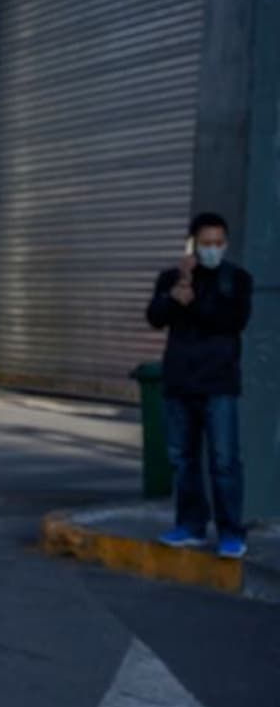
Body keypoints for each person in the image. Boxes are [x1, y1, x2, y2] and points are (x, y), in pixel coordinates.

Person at [146, 211, 253, 558]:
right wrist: (174, 294)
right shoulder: (172, 279)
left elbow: (232, 321)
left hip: (219, 383)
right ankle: (191, 525)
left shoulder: (236, 279)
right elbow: (155, 317)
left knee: (224, 462)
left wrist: (192, 303)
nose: (212, 249)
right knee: (183, 459)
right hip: (180, 382)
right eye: (206, 243)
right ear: (193, 243)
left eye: (218, 243)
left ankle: (231, 532)